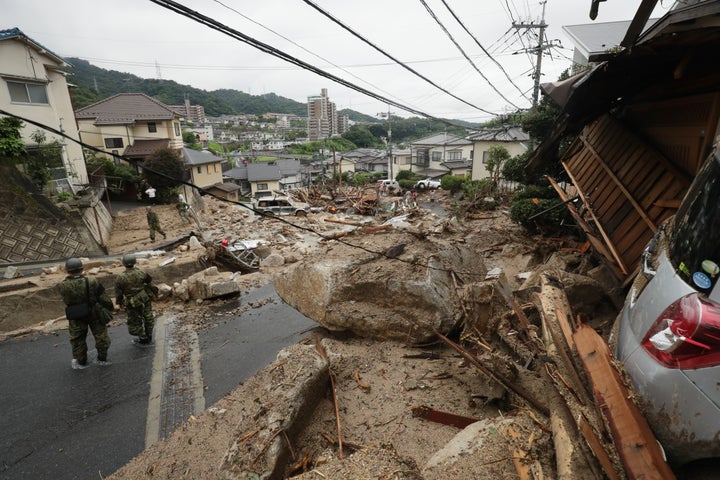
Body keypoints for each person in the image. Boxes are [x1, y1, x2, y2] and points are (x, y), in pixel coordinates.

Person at [57, 257, 114, 369]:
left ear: (67, 270)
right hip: (94, 312)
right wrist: (109, 307)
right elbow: (103, 297)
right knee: (101, 335)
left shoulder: (62, 285)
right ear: (82, 269)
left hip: (76, 314)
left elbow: (66, 300)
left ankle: (81, 361)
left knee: (78, 339)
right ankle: (102, 358)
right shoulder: (92, 281)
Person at [115, 253, 158, 345]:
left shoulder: (120, 278)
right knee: (148, 316)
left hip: (131, 300)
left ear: (124, 263)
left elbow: (119, 293)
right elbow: (152, 285)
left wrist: (120, 303)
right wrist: (155, 293)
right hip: (144, 297)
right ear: (134, 262)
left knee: (135, 319)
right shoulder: (142, 272)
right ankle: (149, 335)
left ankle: (142, 337)